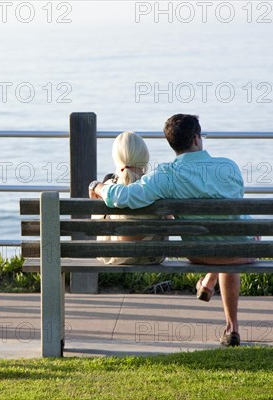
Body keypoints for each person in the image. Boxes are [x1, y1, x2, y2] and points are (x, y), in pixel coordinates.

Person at [88, 114, 252, 347]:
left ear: (172, 144)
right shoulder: (229, 166)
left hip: (200, 254)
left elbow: (122, 196)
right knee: (231, 235)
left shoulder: (167, 174)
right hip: (242, 252)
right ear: (197, 138)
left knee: (217, 240)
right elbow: (234, 211)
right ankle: (232, 326)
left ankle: (208, 281)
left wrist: (98, 186)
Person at [92, 131, 166, 265]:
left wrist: (95, 186)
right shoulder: (155, 188)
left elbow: (96, 225)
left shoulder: (106, 189)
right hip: (152, 257)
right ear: (144, 157)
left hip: (113, 257)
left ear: (116, 157)